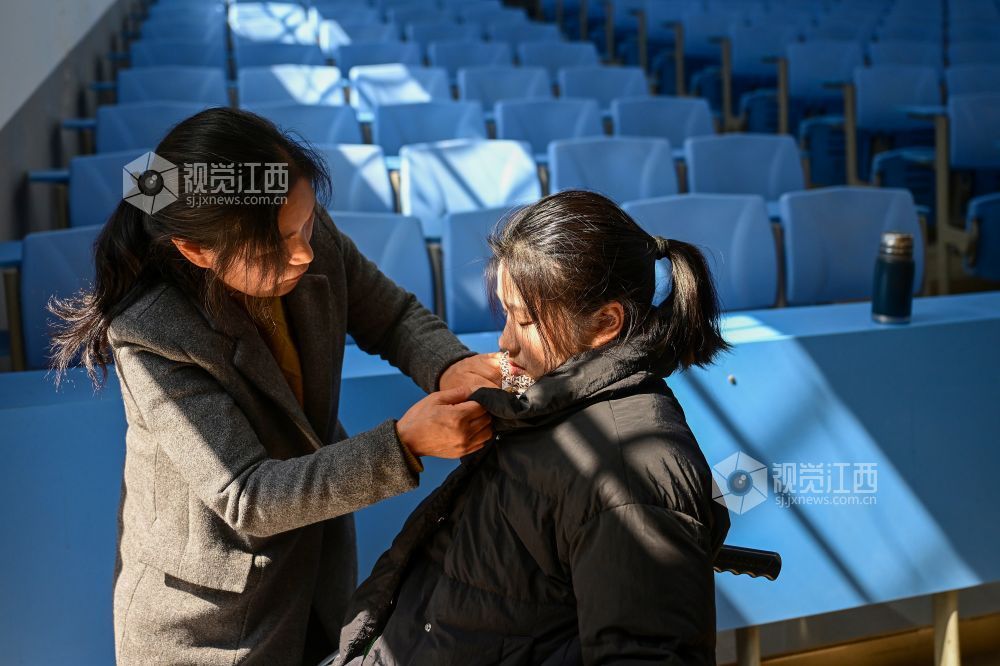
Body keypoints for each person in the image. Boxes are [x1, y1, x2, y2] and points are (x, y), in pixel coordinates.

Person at [49, 107, 500, 665]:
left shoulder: (302, 230)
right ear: (197, 251)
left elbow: (393, 316)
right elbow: (247, 495)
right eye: (280, 242)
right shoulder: (149, 331)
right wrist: (404, 444)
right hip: (208, 621)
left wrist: (451, 366)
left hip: (318, 570)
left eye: (306, 225)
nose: (305, 252)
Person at [335, 190, 733, 665]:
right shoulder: (544, 413)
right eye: (505, 313)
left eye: (524, 320)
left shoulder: (632, 471)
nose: (505, 341)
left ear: (606, 322)